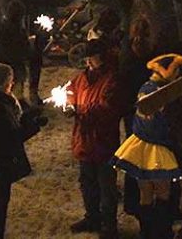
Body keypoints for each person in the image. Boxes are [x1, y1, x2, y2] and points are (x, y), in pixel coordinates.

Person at [113, 53, 182, 239]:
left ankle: (146, 232)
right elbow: (164, 122)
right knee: (163, 193)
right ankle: (161, 232)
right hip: (158, 147)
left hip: (139, 146)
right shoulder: (163, 93)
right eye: (176, 70)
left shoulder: (145, 87)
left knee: (145, 194)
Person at [66, 35, 124, 239]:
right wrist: (68, 102)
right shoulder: (82, 78)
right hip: (84, 140)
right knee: (87, 182)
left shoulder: (112, 79)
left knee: (106, 186)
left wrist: (81, 112)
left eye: (93, 58)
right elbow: (71, 91)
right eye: (87, 58)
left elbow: (107, 109)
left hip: (103, 141)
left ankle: (109, 225)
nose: (88, 62)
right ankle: (92, 217)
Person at [0, 62, 37, 239]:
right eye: (10, 79)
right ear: (2, 82)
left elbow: (12, 126)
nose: (12, 82)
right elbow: (12, 137)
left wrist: (28, 116)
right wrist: (33, 125)